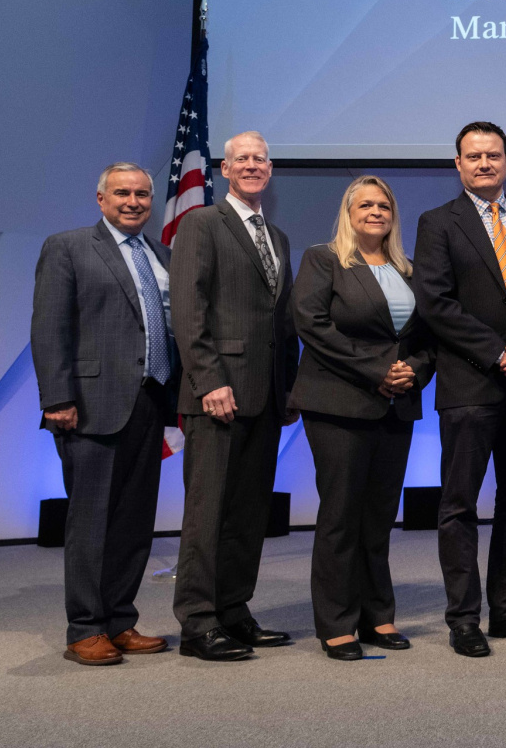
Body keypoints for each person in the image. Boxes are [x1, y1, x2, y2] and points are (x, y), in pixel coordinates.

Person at [412, 121, 506, 657]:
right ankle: (464, 617)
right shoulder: (437, 223)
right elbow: (435, 303)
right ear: (457, 164)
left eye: (493, 155)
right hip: (469, 382)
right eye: (472, 156)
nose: (483, 164)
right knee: (459, 505)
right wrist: (499, 350)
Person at [31, 162, 178, 666]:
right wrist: (57, 398)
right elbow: (49, 328)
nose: (133, 201)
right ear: (100, 199)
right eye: (122, 193)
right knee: (91, 521)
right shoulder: (67, 246)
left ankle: (119, 620)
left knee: (135, 521)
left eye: (141, 194)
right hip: (90, 406)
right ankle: (84, 628)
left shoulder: (162, 254)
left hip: (151, 400)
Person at [289, 175, 435, 661]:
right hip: (338, 402)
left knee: (378, 516)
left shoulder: (408, 269)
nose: (376, 212)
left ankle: (377, 614)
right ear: (348, 213)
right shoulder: (324, 259)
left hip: (397, 403)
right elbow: (311, 325)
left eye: (384, 205)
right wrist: (376, 370)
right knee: (340, 515)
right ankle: (336, 622)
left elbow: (427, 339)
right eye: (365, 204)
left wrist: (411, 371)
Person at [170, 131, 300, 661]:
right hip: (217, 393)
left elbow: (282, 322)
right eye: (242, 159)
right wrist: (209, 379)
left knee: (248, 513)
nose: (252, 166)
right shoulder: (202, 223)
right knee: (208, 513)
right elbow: (189, 308)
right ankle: (198, 623)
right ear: (225, 168)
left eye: (260, 159)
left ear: (270, 169)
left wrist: (289, 390)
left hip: (266, 396)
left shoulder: (279, 236)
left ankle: (234, 610)